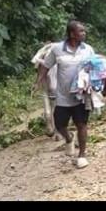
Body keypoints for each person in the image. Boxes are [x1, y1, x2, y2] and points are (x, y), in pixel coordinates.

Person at [35, 20, 95, 169]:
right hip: (63, 97)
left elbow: (96, 67)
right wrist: (38, 81)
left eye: (84, 31)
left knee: (82, 124)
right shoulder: (56, 50)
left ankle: (81, 155)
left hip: (81, 96)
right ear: (72, 34)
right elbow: (45, 66)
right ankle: (68, 138)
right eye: (81, 31)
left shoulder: (88, 49)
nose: (84, 34)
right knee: (60, 124)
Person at [31, 40, 59, 138]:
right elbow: (40, 72)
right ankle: (50, 127)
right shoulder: (43, 60)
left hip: (54, 84)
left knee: (54, 106)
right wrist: (37, 83)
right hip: (46, 83)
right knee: (49, 107)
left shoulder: (57, 61)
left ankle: (56, 129)